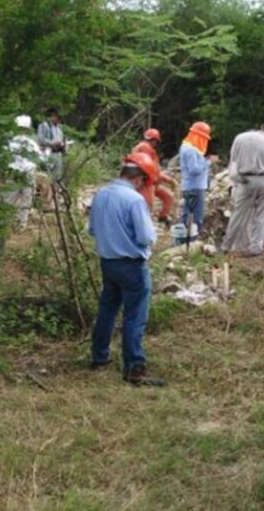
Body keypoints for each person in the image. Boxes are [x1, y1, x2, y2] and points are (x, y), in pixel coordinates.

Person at [88, 152, 165, 387]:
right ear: (139, 178)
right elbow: (145, 237)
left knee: (107, 310)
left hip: (108, 262)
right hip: (131, 265)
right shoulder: (134, 200)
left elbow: (92, 229)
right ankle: (134, 367)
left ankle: (99, 357)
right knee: (134, 316)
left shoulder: (101, 194)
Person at [220, 118, 264, 257]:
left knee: (238, 214)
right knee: (262, 215)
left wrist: (237, 178)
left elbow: (233, 161)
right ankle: (256, 247)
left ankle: (226, 246)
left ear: (261, 126)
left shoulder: (241, 138)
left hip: (245, 180)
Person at [178, 121, 217, 239]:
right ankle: (190, 242)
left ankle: (182, 241)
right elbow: (194, 169)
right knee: (196, 217)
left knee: (187, 215)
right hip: (195, 187)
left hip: (191, 186)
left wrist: (205, 160)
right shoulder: (190, 150)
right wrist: (209, 162)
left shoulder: (188, 147)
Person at [131, 128, 178, 225]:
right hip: (145, 183)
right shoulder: (144, 148)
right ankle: (140, 225)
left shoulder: (147, 149)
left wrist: (168, 179)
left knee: (168, 197)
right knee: (148, 204)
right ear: (154, 140)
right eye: (155, 141)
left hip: (153, 183)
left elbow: (154, 170)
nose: (155, 144)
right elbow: (147, 169)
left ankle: (163, 217)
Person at [6, 115, 40, 230]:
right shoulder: (32, 143)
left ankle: (5, 225)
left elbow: (3, 157)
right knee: (26, 200)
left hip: (13, 173)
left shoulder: (10, 142)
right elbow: (39, 159)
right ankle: (21, 225)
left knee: (9, 199)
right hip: (28, 173)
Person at [37, 108, 66, 181]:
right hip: (48, 153)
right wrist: (53, 143)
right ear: (53, 116)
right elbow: (41, 139)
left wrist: (63, 145)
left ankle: (55, 190)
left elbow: (62, 139)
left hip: (58, 153)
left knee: (57, 176)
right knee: (47, 175)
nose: (59, 120)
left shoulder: (60, 128)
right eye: (58, 118)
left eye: (60, 119)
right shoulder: (44, 125)